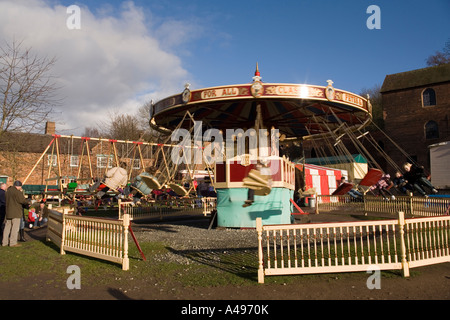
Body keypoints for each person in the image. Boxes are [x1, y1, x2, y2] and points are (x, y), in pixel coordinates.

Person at [2, 181, 30, 247]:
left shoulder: (7, 192)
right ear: (18, 186)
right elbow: (22, 201)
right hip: (16, 212)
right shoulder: (17, 192)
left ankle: (4, 242)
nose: (21, 188)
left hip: (8, 212)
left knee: (7, 228)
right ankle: (13, 242)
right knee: (15, 228)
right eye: (20, 186)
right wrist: (28, 201)